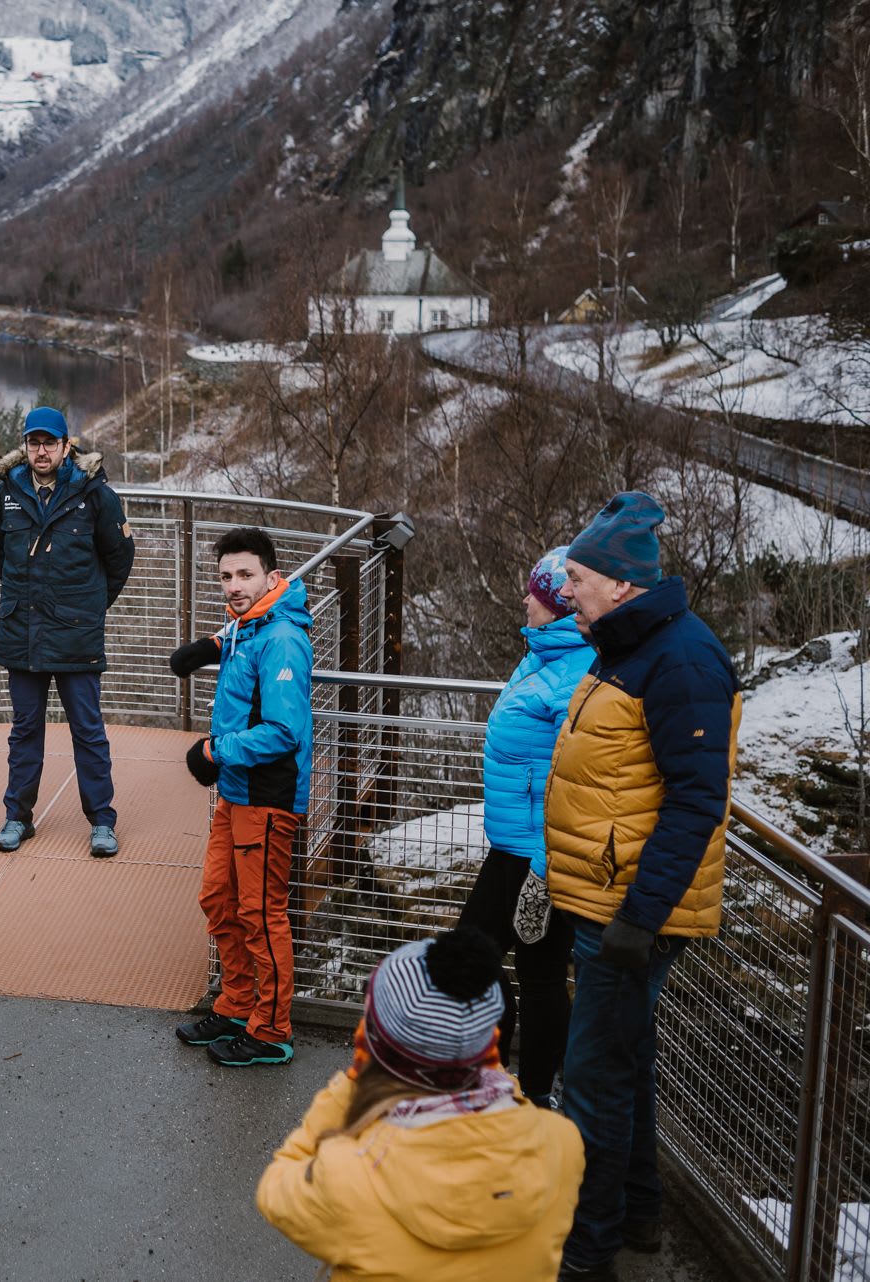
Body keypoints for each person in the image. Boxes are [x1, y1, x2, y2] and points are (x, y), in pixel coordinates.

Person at [544, 492, 739, 1281]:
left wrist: (638, 920)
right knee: (628, 1062)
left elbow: (697, 800)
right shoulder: (628, 643)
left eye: (580, 579)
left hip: (631, 912)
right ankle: (640, 1212)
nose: (570, 593)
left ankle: (583, 1256)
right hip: (609, 900)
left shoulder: (681, 659)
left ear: (622, 584)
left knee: (592, 1081)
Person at [257, 928, 585, 1281]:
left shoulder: (348, 1178)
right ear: (486, 1044)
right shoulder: (562, 1146)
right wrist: (499, 1077)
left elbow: (276, 1188)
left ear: (375, 1045)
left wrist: (351, 1086)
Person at [170, 528, 314, 1068]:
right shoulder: (248, 626)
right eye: (226, 576)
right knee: (219, 898)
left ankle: (272, 1029)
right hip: (236, 792)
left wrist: (212, 751)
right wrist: (209, 646)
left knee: (259, 912)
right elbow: (237, 635)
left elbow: (283, 731)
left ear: (272, 578)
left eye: (245, 575)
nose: (234, 585)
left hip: (267, 795)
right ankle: (236, 1004)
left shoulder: (281, 639)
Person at [457, 546, 588, 1104]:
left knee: (511, 965)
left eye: (533, 592)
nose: (523, 600)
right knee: (518, 968)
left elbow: (576, 780)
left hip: (538, 853)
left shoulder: (576, 669)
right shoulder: (542, 655)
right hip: (514, 844)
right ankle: (512, 1080)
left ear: (557, 603)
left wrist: (543, 868)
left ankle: (532, 1091)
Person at [0, 406, 135, 857]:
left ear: (67, 446)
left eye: (50, 442)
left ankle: (102, 822)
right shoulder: (6, 493)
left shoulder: (94, 494)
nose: (41, 450)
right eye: (34, 442)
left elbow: (119, 557)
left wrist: (89, 606)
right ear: (25, 446)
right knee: (24, 730)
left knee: (87, 729)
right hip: (22, 633)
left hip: (76, 634)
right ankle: (17, 817)